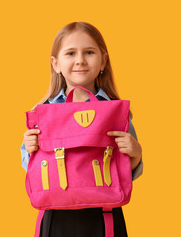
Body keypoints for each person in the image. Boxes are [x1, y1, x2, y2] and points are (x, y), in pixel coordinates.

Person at [20, 22, 143, 237]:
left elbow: (124, 174)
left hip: (104, 216)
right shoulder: (42, 112)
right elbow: (32, 170)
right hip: (55, 216)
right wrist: (30, 151)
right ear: (56, 64)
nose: (80, 60)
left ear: (103, 60)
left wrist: (135, 154)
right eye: (70, 53)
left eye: (89, 52)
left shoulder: (116, 111)